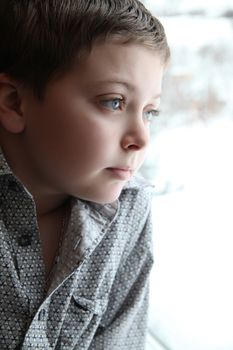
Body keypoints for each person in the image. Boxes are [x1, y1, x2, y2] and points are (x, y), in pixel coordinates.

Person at [0, 0, 170, 349]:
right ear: (16, 102)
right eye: (113, 102)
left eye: (150, 112)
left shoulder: (130, 209)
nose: (140, 139)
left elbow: (121, 340)